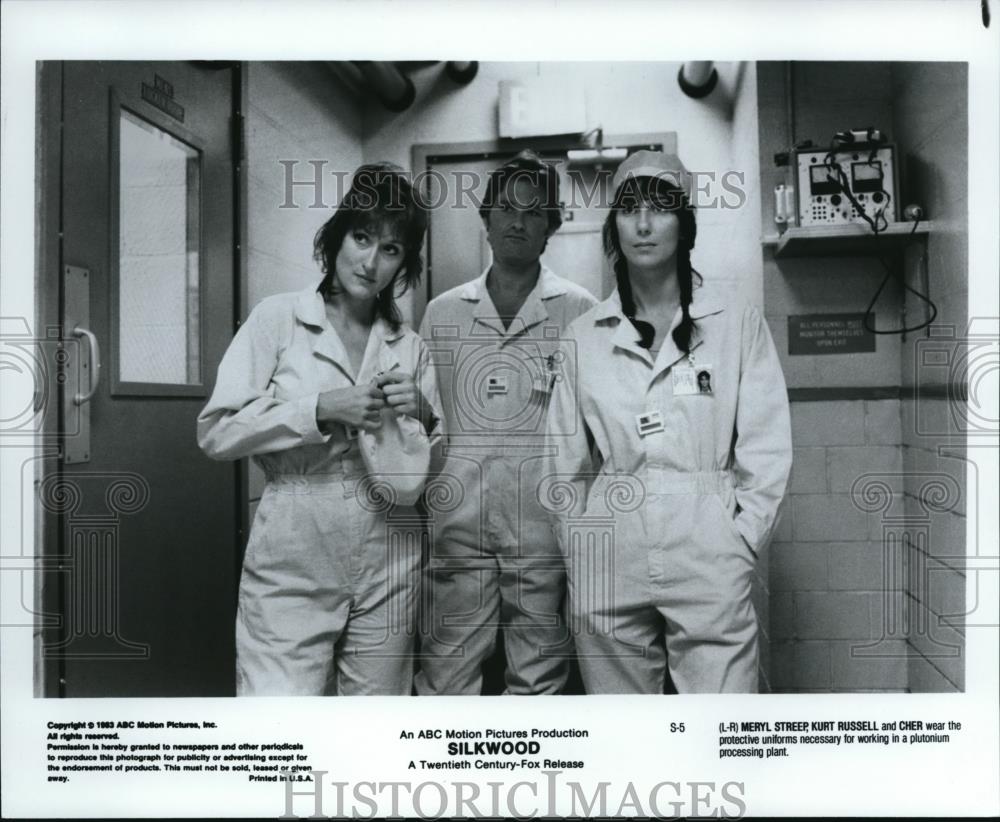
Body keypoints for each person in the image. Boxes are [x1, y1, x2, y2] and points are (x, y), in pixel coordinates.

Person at [545, 150, 791, 694]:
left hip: (707, 545)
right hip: (610, 549)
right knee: (625, 736)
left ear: (686, 224)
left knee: (720, 730)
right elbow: (562, 465)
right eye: (629, 208)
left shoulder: (734, 325)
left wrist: (740, 541)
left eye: (661, 207)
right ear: (614, 227)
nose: (644, 223)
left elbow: (766, 447)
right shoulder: (583, 337)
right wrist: (580, 547)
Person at [197, 163, 442, 696]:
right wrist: (317, 409)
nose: (370, 261)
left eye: (391, 250)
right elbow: (217, 431)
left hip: (392, 551)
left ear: (405, 264)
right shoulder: (277, 319)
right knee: (279, 728)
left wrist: (422, 414)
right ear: (336, 234)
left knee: (375, 733)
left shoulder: (411, 345)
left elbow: (436, 467)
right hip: (296, 545)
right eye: (361, 237)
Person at [415, 150, 597, 695]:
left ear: (551, 228)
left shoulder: (580, 311)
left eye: (535, 211)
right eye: (507, 209)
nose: (518, 222)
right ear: (487, 219)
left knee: (537, 680)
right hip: (459, 524)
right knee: (446, 677)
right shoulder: (443, 312)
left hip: (542, 526)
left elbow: (592, 427)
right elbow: (425, 421)